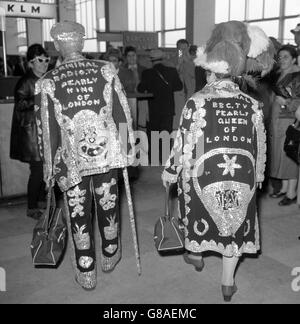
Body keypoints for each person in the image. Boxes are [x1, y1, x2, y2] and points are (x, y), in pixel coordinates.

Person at [162, 21, 274, 302]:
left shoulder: (197, 101)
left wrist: (170, 170)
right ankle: (227, 283)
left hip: (203, 171)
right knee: (234, 223)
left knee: (197, 215)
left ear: (210, 71)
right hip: (243, 172)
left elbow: (183, 141)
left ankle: (195, 254)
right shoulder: (251, 104)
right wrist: (258, 175)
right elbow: (260, 143)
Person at [34, 22, 136, 290]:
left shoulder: (47, 82)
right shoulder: (105, 69)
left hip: (71, 161)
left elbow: (47, 130)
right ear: (82, 42)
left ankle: (86, 269)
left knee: (77, 211)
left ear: (57, 46)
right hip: (107, 155)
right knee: (108, 203)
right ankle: (110, 254)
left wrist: (48, 167)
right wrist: (128, 148)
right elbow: (123, 113)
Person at [10, 44, 49, 220]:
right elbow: (20, 104)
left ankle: (41, 201)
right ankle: (32, 207)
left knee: (45, 170)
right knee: (38, 172)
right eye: (40, 60)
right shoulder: (26, 81)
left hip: (44, 132)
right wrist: (38, 99)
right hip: (32, 135)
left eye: (47, 60)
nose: (45, 63)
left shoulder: (46, 79)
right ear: (31, 63)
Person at [137, 49, 183, 164]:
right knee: (165, 136)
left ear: (151, 60)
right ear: (163, 59)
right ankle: (165, 162)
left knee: (153, 137)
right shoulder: (172, 71)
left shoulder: (147, 73)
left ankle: (154, 162)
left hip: (153, 111)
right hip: (168, 109)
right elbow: (179, 86)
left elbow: (140, 89)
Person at [269, 45, 300, 206]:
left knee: (289, 155)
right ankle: (285, 188)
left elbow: (298, 102)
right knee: (280, 155)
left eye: (286, 57)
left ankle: (291, 192)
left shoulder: (296, 75)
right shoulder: (282, 74)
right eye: (280, 57)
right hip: (277, 121)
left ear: (294, 58)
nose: (282, 60)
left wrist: (286, 102)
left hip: (289, 120)